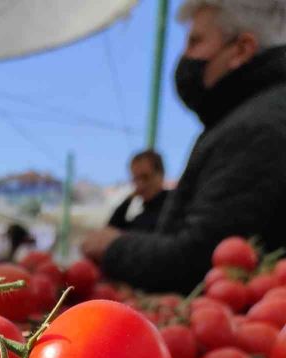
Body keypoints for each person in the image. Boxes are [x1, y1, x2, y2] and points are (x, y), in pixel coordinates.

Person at [82, 0, 286, 293]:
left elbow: (201, 260)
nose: (185, 57)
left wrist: (114, 246)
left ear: (241, 49)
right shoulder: (248, 115)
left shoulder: (256, 127)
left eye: (196, 41)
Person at [107, 150, 170, 232]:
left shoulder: (172, 210)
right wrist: (130, 198)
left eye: (145, 177)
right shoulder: (141, 217)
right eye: (135, 179)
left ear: (161, 175)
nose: (140, 185)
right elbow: (112, 227)